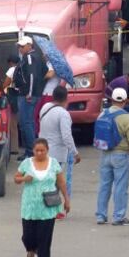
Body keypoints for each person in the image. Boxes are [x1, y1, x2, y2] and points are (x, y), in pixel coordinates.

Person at [15, 139, 69, 257]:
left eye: (42, 151)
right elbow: (16, 178)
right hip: (30, 207)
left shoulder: (54, 163)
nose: (39, 153)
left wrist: (66, 200)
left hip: (47, 207)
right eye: (37, 150)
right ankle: (30, 251)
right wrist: (23, 179)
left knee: (44, 237)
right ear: (33, 151)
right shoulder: (26, 163)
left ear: (47, 150)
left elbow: (61, 182)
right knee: (28, 236)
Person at [95, 87, 129, 226]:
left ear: (112, 100)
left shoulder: (102, 115)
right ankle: (118, 216)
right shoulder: (127, 117)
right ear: (125, 101)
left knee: (104, 185)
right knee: (120, 186)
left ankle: (101, 216)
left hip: (105, 154)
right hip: (121, 155)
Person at [38, 86, 80, 220]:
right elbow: (66, 136)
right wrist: (75, 152)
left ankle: (43, 207)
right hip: (57, 152)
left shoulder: (45, 107)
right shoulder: (63, 114)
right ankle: (53, 210)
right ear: (66, 98)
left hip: (43, 150)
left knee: (45, 180)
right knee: (55, 182)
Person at [11, 36, 54, 159]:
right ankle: (30, 151)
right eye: (19, 46)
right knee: (28, 123)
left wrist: (29, 93)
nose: (20, 48)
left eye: (23, 46)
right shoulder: (37, 57)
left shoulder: (29, 57)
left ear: (30, 46)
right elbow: (42, 74)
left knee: (26, 123)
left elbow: (31, 77)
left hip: (27, 95)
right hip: (32, 94)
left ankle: (30, 152)